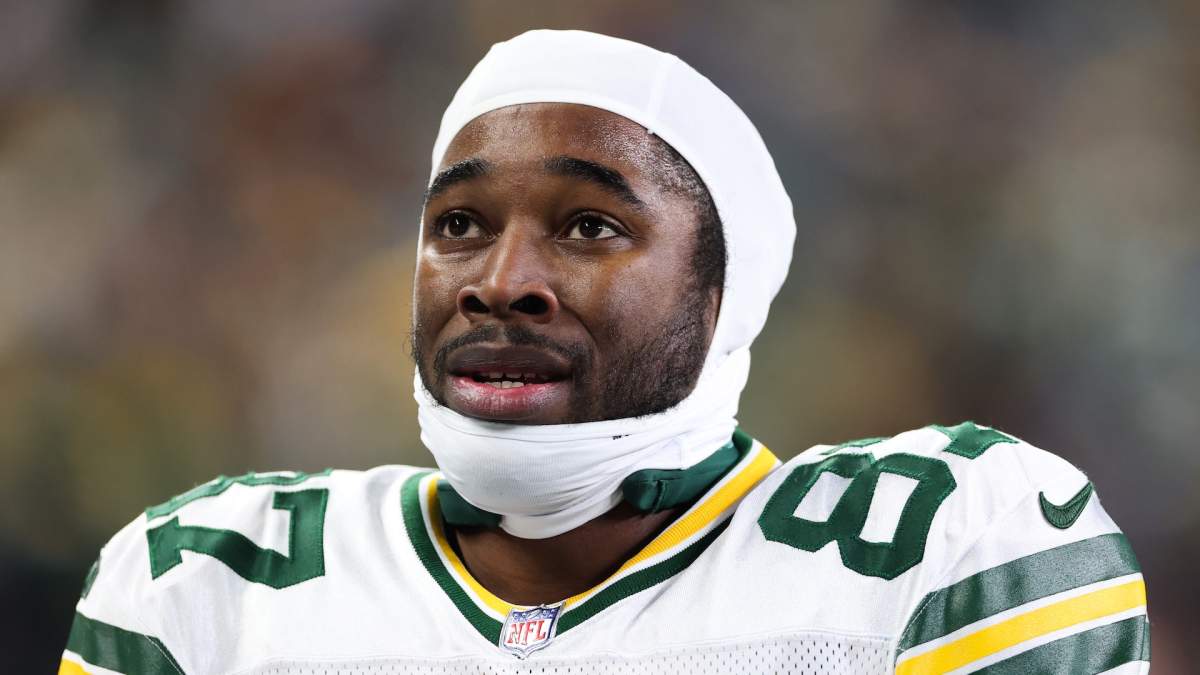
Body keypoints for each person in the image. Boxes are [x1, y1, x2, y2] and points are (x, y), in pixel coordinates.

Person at [60, 30, 1149, 675]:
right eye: (459, 225)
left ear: (724, 293)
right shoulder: (210, 578)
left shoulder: (944, 545)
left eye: (589, 227)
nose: (500, 281)